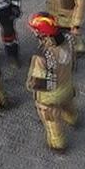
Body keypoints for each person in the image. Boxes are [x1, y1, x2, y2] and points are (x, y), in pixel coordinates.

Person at [26, 13, 79, 154]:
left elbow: (38, 83)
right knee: (68, 105)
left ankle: (58, 145)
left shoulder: (42, 55)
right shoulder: (68, 40)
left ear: (42, 34)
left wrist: (35, 92)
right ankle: (73, 119)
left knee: (52, 121)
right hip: (67, 84)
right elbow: (73, 62)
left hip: (50, 96)